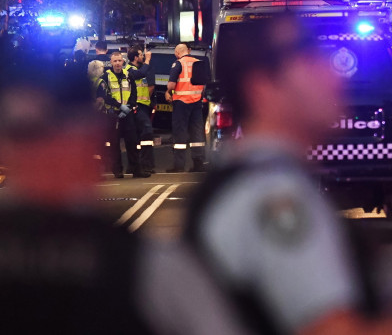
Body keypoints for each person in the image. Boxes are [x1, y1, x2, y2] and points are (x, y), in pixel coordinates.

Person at [184, 15, 392, 335]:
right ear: (262, 88)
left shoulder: (248, 181)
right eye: (308, 59)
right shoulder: (276, 197)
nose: (333, 74)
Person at [0, 50, 250, 335]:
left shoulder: (151, 266)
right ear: (93, 138)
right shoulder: (148, 265)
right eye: (26, 135)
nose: (39, 153)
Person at [97, 52, 151, 178]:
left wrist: (128, 107)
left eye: (119, 61)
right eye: (115, 61)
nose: (117, 63)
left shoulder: (128, 75)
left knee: (132, 142)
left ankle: (136, 170)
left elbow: (134, 93)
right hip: (113, 114)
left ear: (123, 61)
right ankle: (118, 171)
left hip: (127, 113)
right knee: (114, 143)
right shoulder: (105, 77)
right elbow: (105, 96)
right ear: (111, 62)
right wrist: (119, 106)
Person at [166, 43, 206, 173]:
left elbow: (171, 85)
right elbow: (204, 84)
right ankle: (198, 164)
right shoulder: (198, 63)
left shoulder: (178, 63)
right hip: (196, 102)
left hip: (181, 103)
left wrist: (168, 92)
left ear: (177, 53)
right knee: (197, 132)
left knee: (180, 133)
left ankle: (179, 165)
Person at [128, 46, 157, 174]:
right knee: (146, 131)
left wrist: (153, 103)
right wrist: (148, 61)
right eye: (140, 55)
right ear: (135, 57)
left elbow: (149, 85)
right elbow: (139, 74)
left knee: (140, 135)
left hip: (144, 106)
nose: (143, 57)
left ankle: (139, 165)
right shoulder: (129, 69)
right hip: (136, 106)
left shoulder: (141, 69)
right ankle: (145, 165)